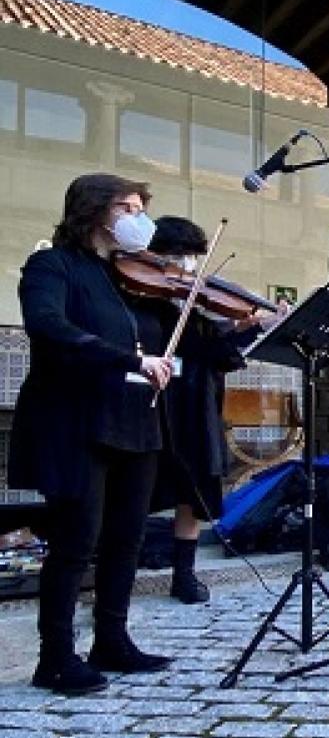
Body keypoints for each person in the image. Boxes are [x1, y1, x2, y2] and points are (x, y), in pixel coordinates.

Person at [9, 174, 175, 695]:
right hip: (76, 420)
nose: (138, 217)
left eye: (139, 207)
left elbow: (162, 330)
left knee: (126, 539)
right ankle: (55, 658)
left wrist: (230, 326)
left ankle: (112, 641)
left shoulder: (126, 277)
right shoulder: (50, 266)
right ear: (93, 212)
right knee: (75, 542)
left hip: (133, 420)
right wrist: (130, 358)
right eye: (126, 207)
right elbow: (48, 326)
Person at [146, 216, 280, 603]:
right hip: (152, 400)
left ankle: (183, 576)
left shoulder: (200, 307)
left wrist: (248, 328)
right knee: (140, 484)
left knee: (193, 487)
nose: (187, 266)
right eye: (179, 255)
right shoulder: (142, 296)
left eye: (193, 257)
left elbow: (217, 355)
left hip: (194, 400)